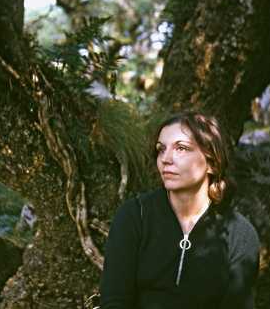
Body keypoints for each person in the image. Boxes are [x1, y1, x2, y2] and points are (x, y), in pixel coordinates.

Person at [99, 111, 260, 309]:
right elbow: (114, 300)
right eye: (161, 149)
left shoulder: (239, 235)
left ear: (212, 163)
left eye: (181, 148)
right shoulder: (135, 215)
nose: (166, 159)